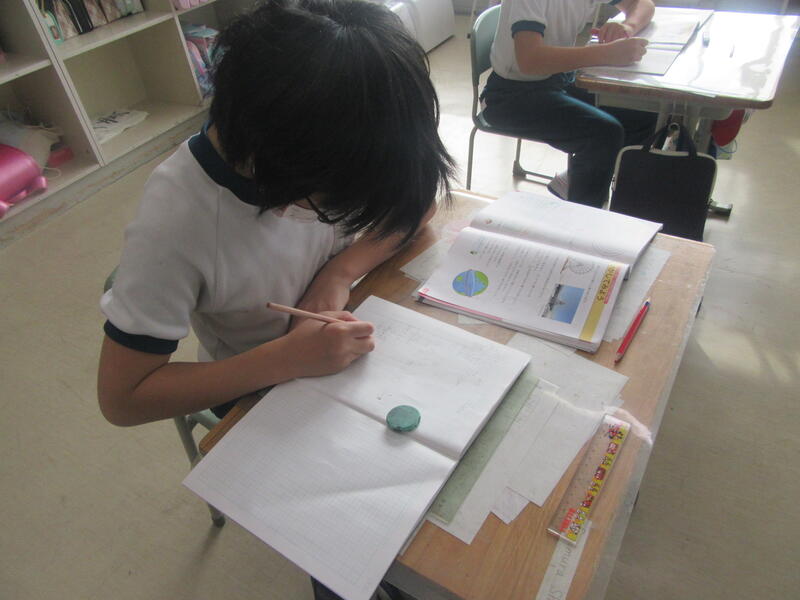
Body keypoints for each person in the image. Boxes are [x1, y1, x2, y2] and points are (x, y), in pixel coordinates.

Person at [96, 1, 453, 598]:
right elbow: (122, 397)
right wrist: (287, 359)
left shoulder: (329, 140)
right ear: (284, 170)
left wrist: (338, 272)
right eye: (334, 201)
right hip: (257, 386)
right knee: (351, 543)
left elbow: (415, 208)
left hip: (341, 345)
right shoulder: (179, 221)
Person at [482, 0, 658, 207]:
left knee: (643, 113)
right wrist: (607, 53)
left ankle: (593, 187)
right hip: (508, 95)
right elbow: (529, 60)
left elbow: (642, 4)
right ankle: (580, 216)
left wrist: (627, 27)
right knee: (603, 134)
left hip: (557, 77)